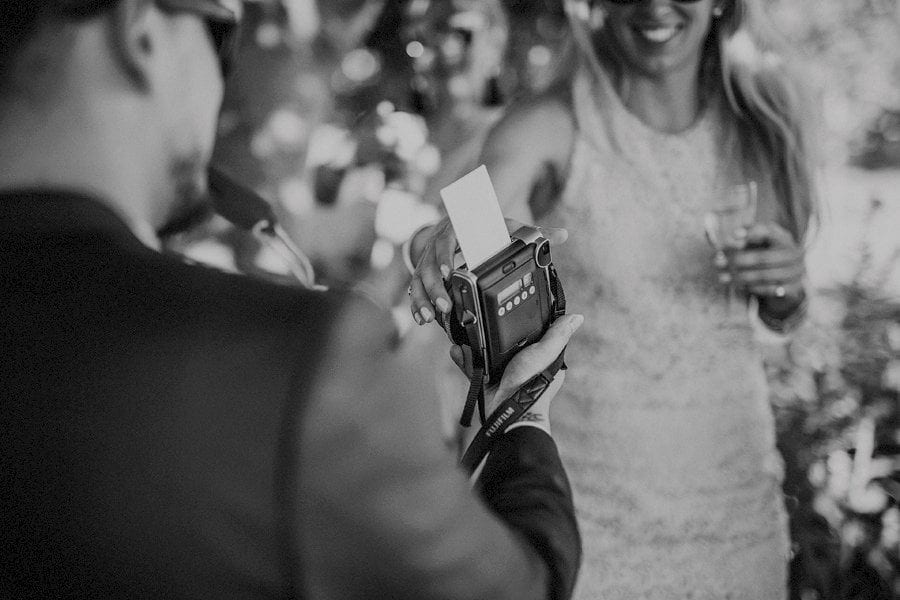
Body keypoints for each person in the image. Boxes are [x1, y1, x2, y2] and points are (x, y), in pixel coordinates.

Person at [0, 1, 584, 598]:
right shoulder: (310, 364)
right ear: (141, 35)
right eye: (224, 41)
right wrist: (522, 413)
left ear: (497, 40)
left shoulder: (514, 134)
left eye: (459, 32)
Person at [408, 0, 818, 597]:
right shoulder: (553, 120)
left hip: (736, 505)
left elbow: (784, 313)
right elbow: (476, 209)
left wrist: (787, 285)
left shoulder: (762, 119)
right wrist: (440, 237)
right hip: (593, 513)